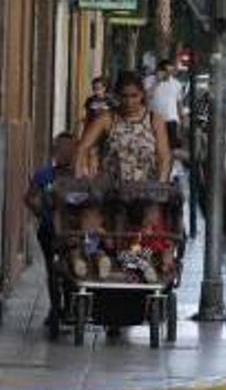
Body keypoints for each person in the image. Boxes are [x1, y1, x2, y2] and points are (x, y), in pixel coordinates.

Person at [75, 71, 173, 184]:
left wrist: (161, 184)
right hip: (112, 191)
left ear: (141, 94)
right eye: (124, 96)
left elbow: (164, 156)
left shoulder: (154, 120)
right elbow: (83, 147)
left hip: (146, 190)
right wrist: (80, 175)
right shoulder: (108, 119)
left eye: (134, 96)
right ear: (117, 96)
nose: (129, 102)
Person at [25, 133, 77, 328]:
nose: (67, 154)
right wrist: (41, 211)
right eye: (62, 149)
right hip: (49, 232)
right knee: (53, 271)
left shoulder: (80, 175)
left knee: (74, 269)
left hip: (73, 234)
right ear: (55, 151)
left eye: (71, 150)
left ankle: (71, 307)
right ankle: (56, 308)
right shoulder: (44, 174)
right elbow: (29, 198)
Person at [149, 60, 184, 150]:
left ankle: (168, 162)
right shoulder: (149, 80)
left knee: (170, 146)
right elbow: (146, 97)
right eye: (166, 71)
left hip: (171, 119)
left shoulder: (177, 84)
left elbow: (179, 102)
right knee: (154, 145)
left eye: (171, 72)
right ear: (159, 70)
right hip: (154, 118)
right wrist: (157, 82)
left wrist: (181, 117)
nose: (169, 74)